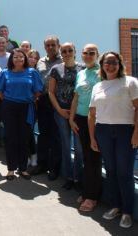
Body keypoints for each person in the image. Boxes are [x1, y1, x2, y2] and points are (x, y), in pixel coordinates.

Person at [88, 51, 138, 228]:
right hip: (103, 131)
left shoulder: (130, 82)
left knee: (124, 172)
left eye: (114, 62)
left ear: (119, 64)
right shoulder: (97, 86)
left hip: (125, 131)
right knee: (110, 170)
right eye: (106, 62)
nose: (110, 65)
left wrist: (136, 133)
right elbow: (92, 114)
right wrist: (92, 137)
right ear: (101, 65)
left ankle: (127, 212)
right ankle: (115, 206)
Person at [0, 49, 43, 180]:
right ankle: (11, 169)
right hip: (9, 108)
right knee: (11, 138)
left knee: (24, 138)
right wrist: (11, 99)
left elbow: (38, 90)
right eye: (15, 57)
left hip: (26, 108)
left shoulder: (32, 72)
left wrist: (28, 99)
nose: (18, 59)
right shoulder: (5, 72)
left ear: (25, 59)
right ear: (11, 59)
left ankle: (23, 168)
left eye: (21, 57)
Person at [69, 44, 101, 212]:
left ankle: (92, 197)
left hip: (95, 120)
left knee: (93, 158)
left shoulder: (102, 72)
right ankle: (88, 190)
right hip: (81, 119)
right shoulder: (81, 73)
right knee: (85, 157)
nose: (88, 55)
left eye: (91, 53)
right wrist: (72, 118)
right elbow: (76, 97)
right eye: (85, 53)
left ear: (97, 54)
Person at [48, 42, 84, 190]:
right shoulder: (56, 69)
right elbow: (51, 92)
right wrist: (59, 110)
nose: (67, 53)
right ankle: (69, 177)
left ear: (75, 52)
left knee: (79, 147)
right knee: (66, 145)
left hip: (79, 113)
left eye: (70, 50)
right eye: (64, 51)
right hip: (62, 112)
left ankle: (78, 178)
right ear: (60, 53)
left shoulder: (82, 68)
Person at [32, 35, 63, 180]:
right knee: (43, 134)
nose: (50, 47)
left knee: (56, 135)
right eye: (48, 45)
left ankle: (54, 168)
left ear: (58, 46)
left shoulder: (64, 61)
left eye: (53, 45)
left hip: (59, 101)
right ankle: (42, 164)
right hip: (44, 100)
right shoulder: (40, 61)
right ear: (44, 47)